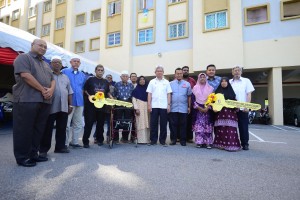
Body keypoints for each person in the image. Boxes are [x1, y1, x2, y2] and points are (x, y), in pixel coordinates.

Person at [13, 39, 55, 167]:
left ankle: (33, 154)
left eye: (45, 47)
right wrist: (43, 90)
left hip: (45, 101)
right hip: (27, 99)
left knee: (38, 129)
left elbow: (53, 80)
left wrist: (51, 90)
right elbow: (25, 75)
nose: (43, 48)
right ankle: (22, 157)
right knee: (24, 129)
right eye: (40, 45)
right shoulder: (23, 57)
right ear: (32, 45)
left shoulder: (46, 64)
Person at [39, 56, 73, 157]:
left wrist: (70, 105)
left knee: (62, 127)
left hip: (63, 107)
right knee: (47, 129)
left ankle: (60, 147)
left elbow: (69, 92)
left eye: (59, 62)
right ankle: (43, 150)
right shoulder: (47, 75)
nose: (57, 64)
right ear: (50, 64)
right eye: (54, 62)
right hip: (50, 106)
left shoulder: (65, 77)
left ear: (62, 64)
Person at [82, 64, 112, 148]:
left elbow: (108, 92)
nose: (100, 71)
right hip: (90, 106)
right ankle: (85, 141)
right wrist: (89, 96)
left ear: (103, 72)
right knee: (89, 124)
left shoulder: (106, 81)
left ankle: (100, 140)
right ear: (95, 71)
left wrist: (111, 97)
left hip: (102, 106)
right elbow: (85, 90)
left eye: (102, 70)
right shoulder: (90, 79)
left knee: (100, 124)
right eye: (98, 70)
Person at [62, 56, 86, 148]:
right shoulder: (64, 72)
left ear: (79, 64)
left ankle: (74, 142)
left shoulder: (82, 75)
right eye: (74, 61)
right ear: (70, 62)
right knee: (67, 124)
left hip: (80, 102)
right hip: (69, 102)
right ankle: (65, 143)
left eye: (78, 62)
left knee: (78, 123)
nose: (76, 63)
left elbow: (83, 88)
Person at [230, 66, 255, 150]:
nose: (237, 72)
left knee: (243, 127)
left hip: (242, 109)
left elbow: (249, 94)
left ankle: (245, 143)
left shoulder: (246, 81)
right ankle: (231, 142)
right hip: (231, 109)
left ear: (241, 72)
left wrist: (247, 106)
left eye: (238, 70)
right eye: (235, 71)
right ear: (232, 72)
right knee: (231, 127)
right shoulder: (229, 82)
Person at [213, 77, 241, 151]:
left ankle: (231, 145)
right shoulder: (217, 92)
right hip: (220, 113)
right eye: (222, 81)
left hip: (230, 113)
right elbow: (214, 102)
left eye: (225, 81)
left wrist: (237, 106)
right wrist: (214, 108)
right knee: (221, 128)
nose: (223, 82)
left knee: (230, 128)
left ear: (228, 83)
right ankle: (220, 144)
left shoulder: (231, 92)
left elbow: (235, 102)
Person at [147, 65, 172, 146]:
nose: (159, 72)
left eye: (161, 71)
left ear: (163, 72)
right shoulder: (151, 81)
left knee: (163, 124)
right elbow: (149, 94)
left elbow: (168, 94)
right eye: (158, 71)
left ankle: (162, 141)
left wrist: (168, 105)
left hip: (164, 106)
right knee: (153, 123)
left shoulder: (166, 82)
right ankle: (153, 140)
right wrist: (149, 105)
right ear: (155, 72)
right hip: (154, 105)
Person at [169, 68, 192, 146]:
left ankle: (183, 140)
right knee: (173, 125)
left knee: (183, 125)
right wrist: (168, 105)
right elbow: (169, 95)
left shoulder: (187, 84)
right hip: (173, 108)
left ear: (182, 74)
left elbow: (189, 96)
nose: (179, 75)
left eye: (180, 73)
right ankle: (173, 140)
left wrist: (189, 106)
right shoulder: (171, 83)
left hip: (183, 108)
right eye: (177, 73)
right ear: (175, 74)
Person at [192, 73, 214, 149]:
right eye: (200, 77)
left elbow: (213, 99)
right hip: (198, 110)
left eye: (203, 77)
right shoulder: (195, 88)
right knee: (199, 126)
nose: (202, 78)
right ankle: (199, 142)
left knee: (207, 126)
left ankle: (208, 143)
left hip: (208, 110)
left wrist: (207, 107)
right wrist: (198, 107)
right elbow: (193, 99)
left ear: (206, 78)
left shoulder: (210, 88)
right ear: (198, 78)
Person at [114, 70, 134, 143]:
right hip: (119, 103)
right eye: (123, 76)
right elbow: (114, 95)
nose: (125, 77)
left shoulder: (131, 85)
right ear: (121, 77)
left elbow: (132, 96)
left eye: (126, 76)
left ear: (128, 77)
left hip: (128, 104)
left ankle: (125, 138)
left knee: (127, 121)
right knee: (117, 121)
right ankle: (115, 138)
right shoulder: (117, 84)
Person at [132, 76, 150, 144]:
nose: (142, 81)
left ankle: (147, 140)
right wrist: (136, 108)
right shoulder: (136, 90)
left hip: (147, 107)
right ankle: (140, 140)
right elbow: (134, 100)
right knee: (140, 123)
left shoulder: (148, 89)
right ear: (138, 81)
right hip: (139, 106)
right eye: (140, 79)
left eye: (143, 79)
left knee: (147, 122)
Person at [182, 66, 196, 143]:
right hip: (181, 104)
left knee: (189, 121)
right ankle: (180, 137)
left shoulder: (192, 80)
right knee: (181, 121)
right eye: (184, 70)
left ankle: (189, 137)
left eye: (187, 70)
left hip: (190, 103)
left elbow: (196, 90)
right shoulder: (178, 80)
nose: (186, 71)